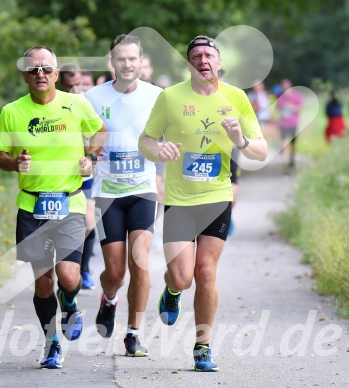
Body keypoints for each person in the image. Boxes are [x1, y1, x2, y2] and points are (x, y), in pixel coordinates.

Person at [139, 35, 267, 372]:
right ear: (189, 63)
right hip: (180, 200)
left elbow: (261, 151)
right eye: (196, 55)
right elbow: (146, 141)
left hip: (216, 198)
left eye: (209, 54)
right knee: (182, 277)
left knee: (206, 272)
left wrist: (240, 139)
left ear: (219, 63)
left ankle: (203, 346)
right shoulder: (170, 97)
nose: (203, 60)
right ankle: (171, 290)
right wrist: (158, 150)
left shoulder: (236, 98)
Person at [0, 46, 107, 369]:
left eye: (46, 69)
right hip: (32, 208)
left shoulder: (76, 104)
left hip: (70, 203)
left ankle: (69, 302)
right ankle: (51, 342)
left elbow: (100, 130)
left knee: (68, 277)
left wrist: (92, 158)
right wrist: (14, 162)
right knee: (43, 283)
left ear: (56, 74)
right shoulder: (12, 112)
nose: (40, 74)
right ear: (25, 75)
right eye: (33, 70)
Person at [85, 34, 162, 357]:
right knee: (115, 272)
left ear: (141, 61)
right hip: (107, 194)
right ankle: (109, 298)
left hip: (143, 190)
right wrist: (87, 153)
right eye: (121, 59)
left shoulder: (158, 96)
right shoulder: (91, 97)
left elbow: (170, 137)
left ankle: (133, 333)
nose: (128, 64)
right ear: (111, 62)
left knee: (140, 264)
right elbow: (82, 139)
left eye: (133, 59)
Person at [58, 63, 97, 290]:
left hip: (85, 174)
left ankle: (82, 269)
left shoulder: (89, 106)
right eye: (71, 85)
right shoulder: (56, 106)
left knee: (88, 223)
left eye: (81, 85)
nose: (76, 89)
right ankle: (64, 270)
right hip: (57, 177)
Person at [276, 78, 303, 169]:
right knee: (283, 141)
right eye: (283, 87)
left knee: (292, 143)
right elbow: (277, 108)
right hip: (283, 123)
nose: (285, 88)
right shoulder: (280, 96)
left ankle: (292, 159)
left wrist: (291, 107)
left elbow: (301, 108)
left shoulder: (296, 95)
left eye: (286, 86)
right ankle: (285, 160)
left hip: (293, 122)